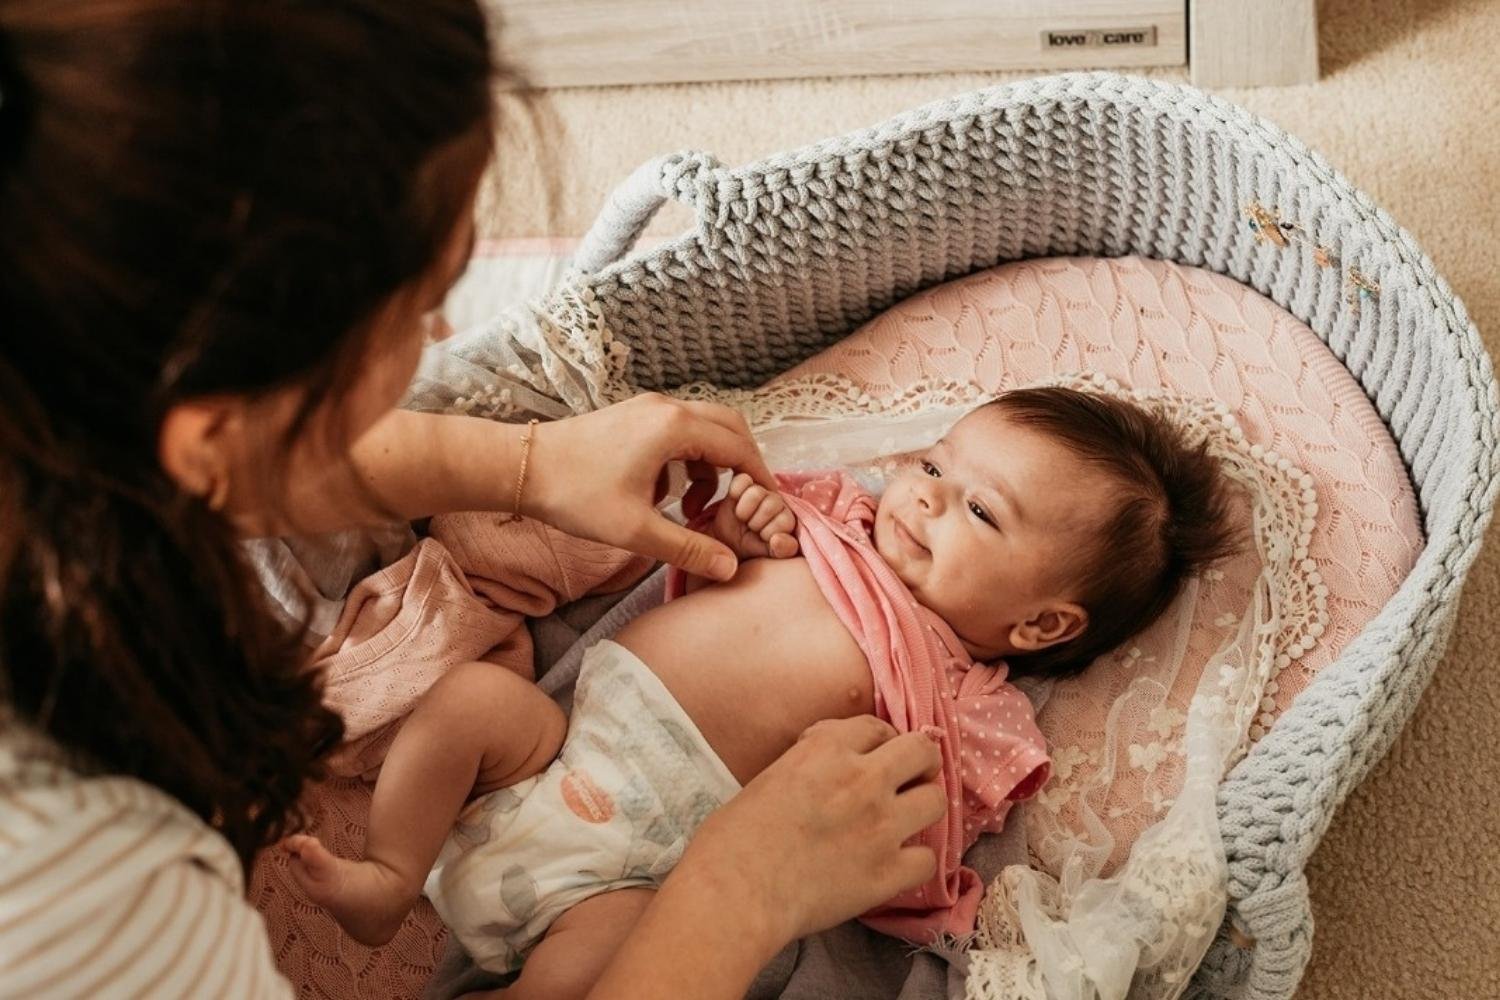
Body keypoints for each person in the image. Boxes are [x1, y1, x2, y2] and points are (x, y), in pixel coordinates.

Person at [0, 2, 948, 997]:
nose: (449, 327)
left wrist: (529, 466)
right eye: (416, 311)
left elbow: (249, 456)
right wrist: (742, 890)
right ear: (212, 425)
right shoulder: (92, 897)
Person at [280, 387, 1236, 998]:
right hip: (554, 753)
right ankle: (390, 876)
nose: (926, 493)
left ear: (1040, 626)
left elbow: (928, 827)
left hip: (625, 877)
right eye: (935, 462)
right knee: (470, 704)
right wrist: (744, 524)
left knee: (589, 962)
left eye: (981, 511)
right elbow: (694, 561)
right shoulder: (826, 524)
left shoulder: (970, 702)